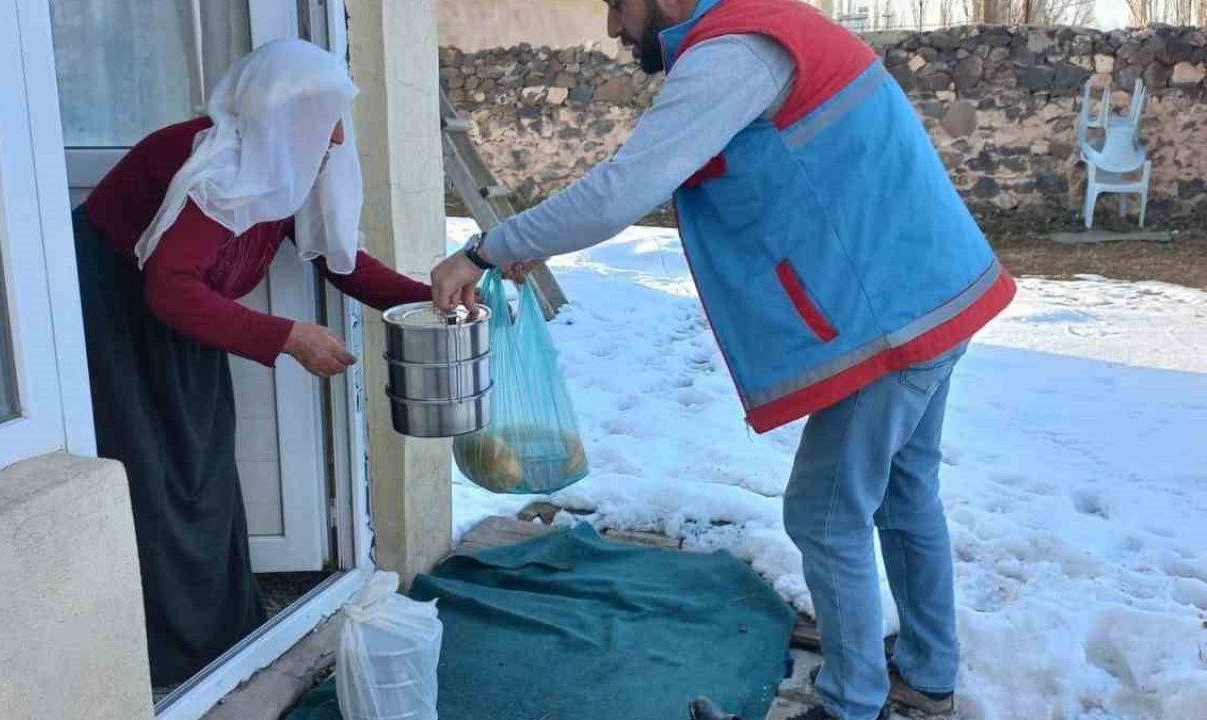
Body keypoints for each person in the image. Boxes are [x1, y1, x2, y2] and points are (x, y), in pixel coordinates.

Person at [430, 1, 1018, 718]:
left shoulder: (735, 52)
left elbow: (623, 187)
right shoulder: (766, 26)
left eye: (618, 5)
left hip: (888, 315)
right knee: (903, 492)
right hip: (930, 287)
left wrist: (489, 247)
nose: (614, 29)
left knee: (825, 516)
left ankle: (851, 703)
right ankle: (926, 671)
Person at [74, 38, 431, 686]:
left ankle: (217, 635)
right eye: (328, 116)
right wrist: (289, 336)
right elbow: (167, 288)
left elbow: (335, 258)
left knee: (203, 466)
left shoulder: (280, 161)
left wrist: (431, 299)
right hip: (117, 316)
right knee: (157, 479)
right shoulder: (215, 166)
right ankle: (167, 656)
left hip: (186, 312)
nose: (340, 135)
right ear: (286, 114)